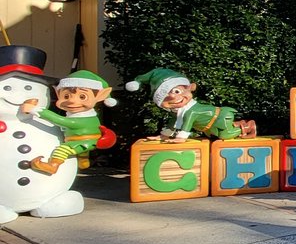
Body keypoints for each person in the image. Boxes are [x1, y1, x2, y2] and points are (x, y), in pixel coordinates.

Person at [21, 70, 117, 174]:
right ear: (58, 94)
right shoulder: (83, 115)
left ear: (100, 96)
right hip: (83, 140)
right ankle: (83, 161)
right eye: (66, 96)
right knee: (81, 150)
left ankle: (53, 165)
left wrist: (35, 109)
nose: (71, 101)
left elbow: (59, 120)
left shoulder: (83, 119)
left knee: (64, 149)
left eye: (82, 97)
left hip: (85, 141)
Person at [125, 68, 257, 141]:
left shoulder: (190, 110)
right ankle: (239, 125)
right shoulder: (177, 112)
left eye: (177, 91)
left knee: (224, 135)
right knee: (216, 138)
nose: (175, 97)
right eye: (168, 95)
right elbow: (173, 122)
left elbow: (188, 121)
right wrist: (163, 136)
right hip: (208, 127)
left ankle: (247, 127)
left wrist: (181, 137)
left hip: (220, 117)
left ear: (188, 88)